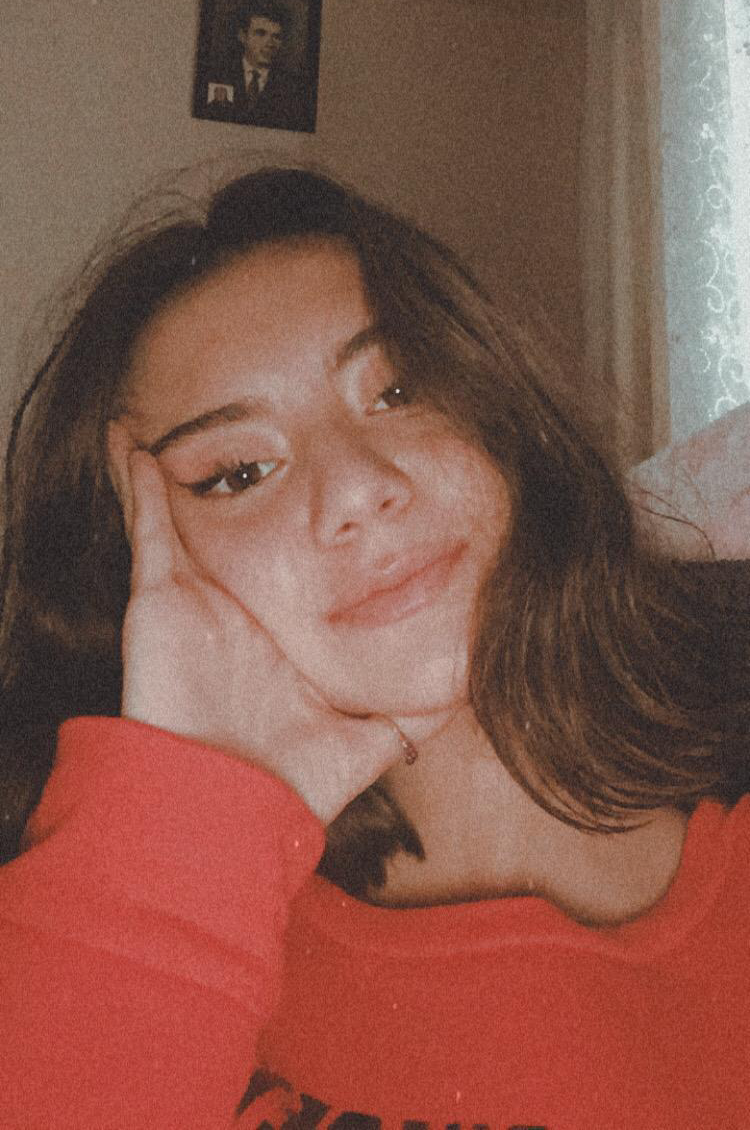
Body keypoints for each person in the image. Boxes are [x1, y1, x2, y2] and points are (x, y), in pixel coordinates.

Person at [0, 167, 749, 1128]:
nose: (356, 486)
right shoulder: (83, 916)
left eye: (399, 389)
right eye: (238, 472)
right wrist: (181, 821)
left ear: (505, 420)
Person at [206, 0, 313, 131]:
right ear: (242, 36)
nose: (270, 44)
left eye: (276, 37)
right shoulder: (215, 73)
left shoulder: (295, 88)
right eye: (260, 33)